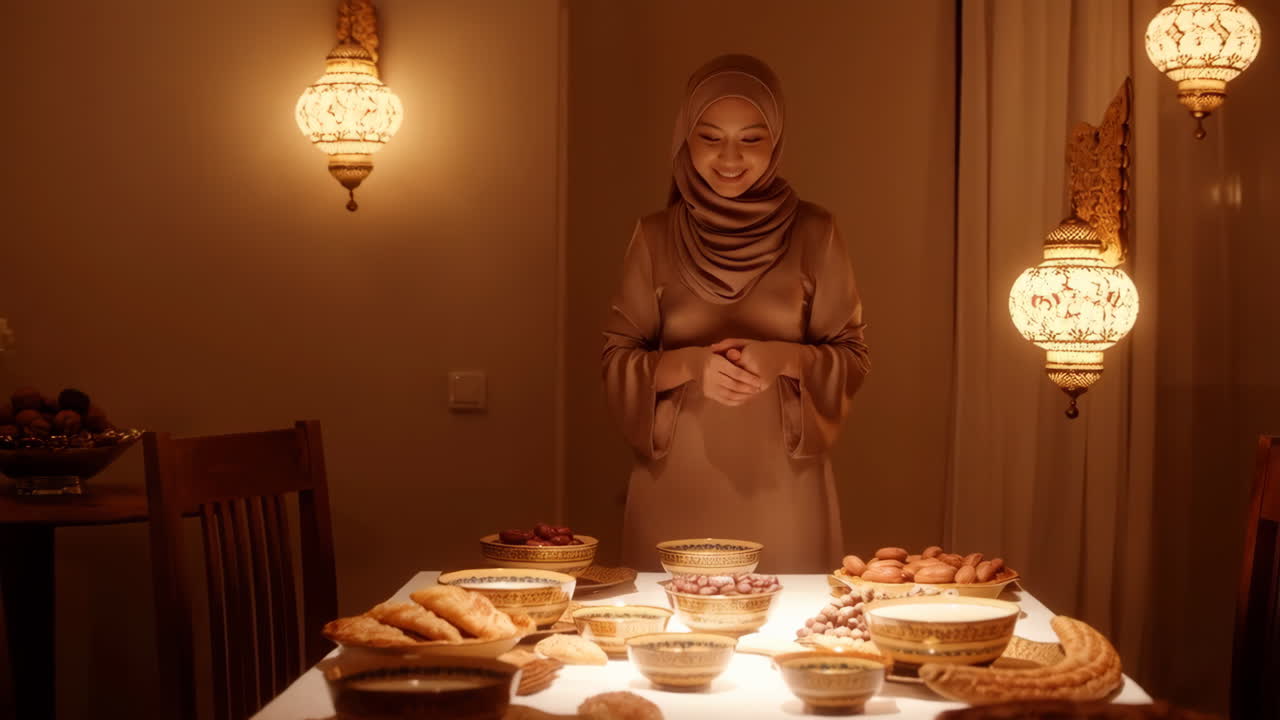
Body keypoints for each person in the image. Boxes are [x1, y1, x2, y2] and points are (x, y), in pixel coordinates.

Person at [602, 54, 870, 573]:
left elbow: (853, 357)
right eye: (709, 137)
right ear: (686, 138)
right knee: (669, 617)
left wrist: (782, 358)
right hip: (675, 486)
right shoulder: (654, 237)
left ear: (777, 141)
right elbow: (616, 361)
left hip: (784, 489)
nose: (730, 157)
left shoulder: (815, 232)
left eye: (751, 138)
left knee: (788, 615)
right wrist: (691, 365)